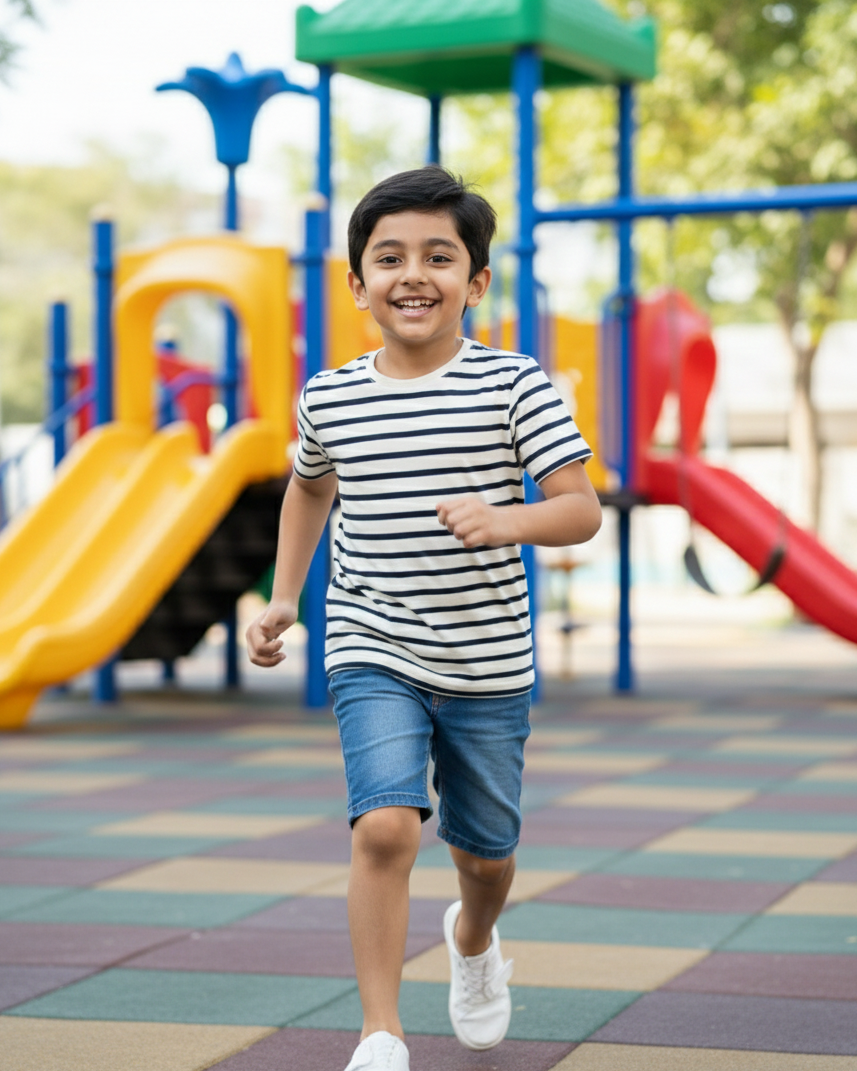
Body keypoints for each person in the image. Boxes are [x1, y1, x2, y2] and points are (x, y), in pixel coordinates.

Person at [246, 165, 602, 1071]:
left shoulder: (514, 385)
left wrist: (507, 517)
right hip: (372, 642)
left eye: (439, 256)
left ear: (475, 284)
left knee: (485, 856)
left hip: (485, 663)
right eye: (390, 256)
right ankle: (380, 1031)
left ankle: (474, 939)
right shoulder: (329, 396)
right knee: (385, 826)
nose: (415, 273)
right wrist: (285, 596)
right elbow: (307, 489)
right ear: (357, 284)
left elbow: (579, 508)